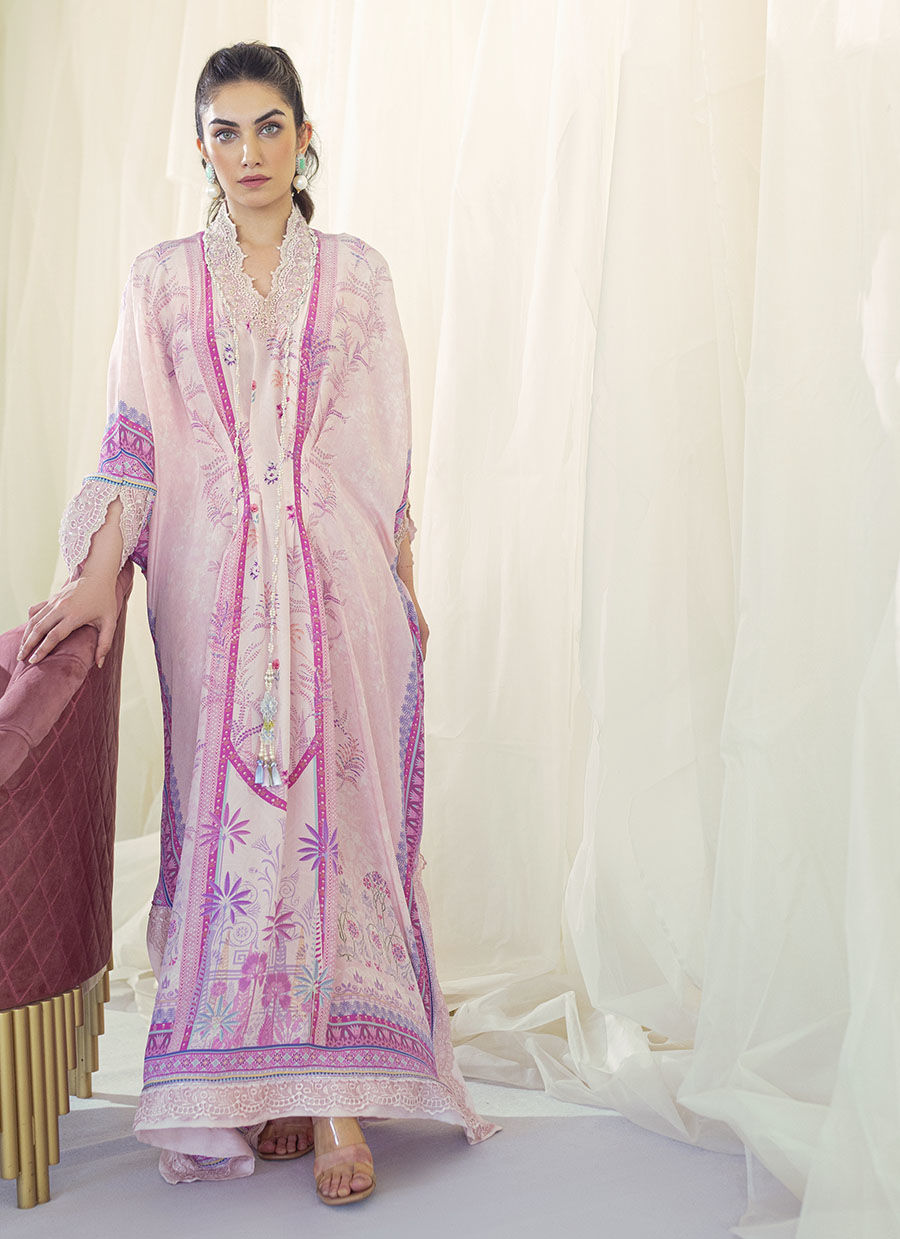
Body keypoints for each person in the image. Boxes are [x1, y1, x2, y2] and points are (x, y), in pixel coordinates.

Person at [18, 40, 498, 1204]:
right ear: (200, 147)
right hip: (213, 599)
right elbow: (133, 439)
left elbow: (385, 449)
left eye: (270, 127)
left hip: (334, 594)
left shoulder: (360, 277)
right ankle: (256, 1078)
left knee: (335, 826)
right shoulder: (160, 283)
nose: (250, 152)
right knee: (237, 830)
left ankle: (334, 1100)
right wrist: (96, 575)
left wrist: (399, 579)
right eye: (226, 132)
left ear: (304, 137)